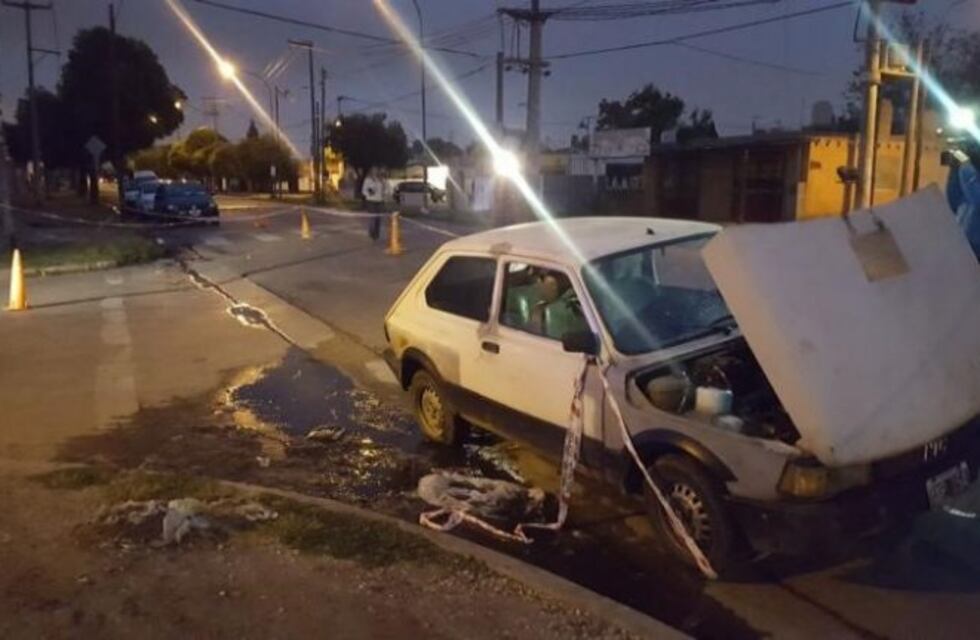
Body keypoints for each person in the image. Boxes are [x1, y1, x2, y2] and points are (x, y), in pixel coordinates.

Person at [945, 146, 980, 260]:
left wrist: (965, 166)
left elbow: (977, 198)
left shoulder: (968, 172)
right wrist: (955, 169)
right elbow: (953, 198)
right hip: (964, 237)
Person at [362, 171, 385, 241]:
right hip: (371, 201)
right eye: (374, 171)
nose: (376, 173)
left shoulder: (382, 180)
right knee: (373, 218)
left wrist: (384, 192)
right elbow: (363, 190)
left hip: (379, 201)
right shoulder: (368, 180)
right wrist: (369, 194)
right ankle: (372, 233)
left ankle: (376, 234)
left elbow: (386, 190)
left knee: (378, 219)